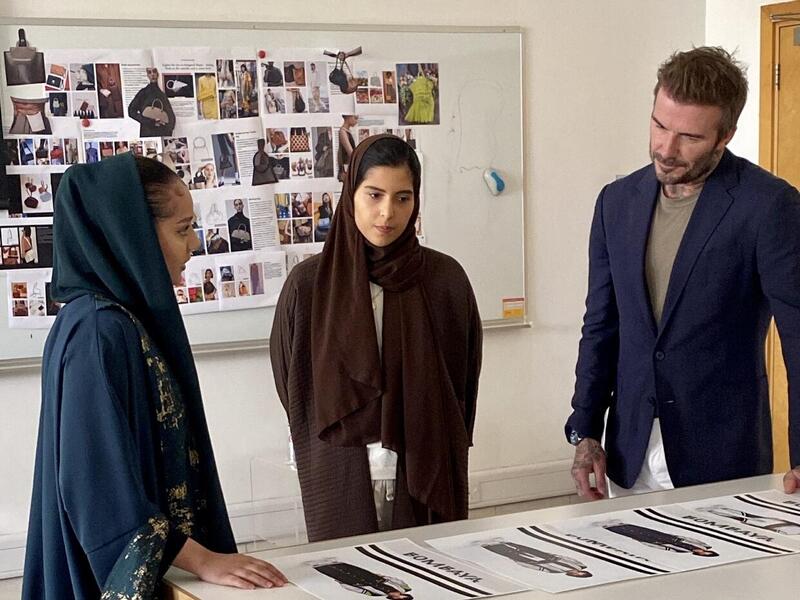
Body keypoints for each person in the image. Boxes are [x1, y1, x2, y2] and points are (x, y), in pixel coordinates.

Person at [22, 154, 286, 597]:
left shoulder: (114, 320)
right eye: (182, 230)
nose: (195, 244)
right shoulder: (97, 331)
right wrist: (202, 559)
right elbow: (98, 490)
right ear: (133, 236)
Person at [565, 46, 800, 501]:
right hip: (627, 452)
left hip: (722, 456)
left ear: (725, 135)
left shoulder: (769, 207)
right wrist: (586, 429)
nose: (665, 149)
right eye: (658, 125)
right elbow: (601, 325)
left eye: (689, 137)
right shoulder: (616, 202)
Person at [270, 135, 482, 542]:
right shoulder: (309, 286)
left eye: (403, 198)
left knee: (431, 579)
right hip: (338, 469)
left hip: (426, 465)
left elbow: (464, 380)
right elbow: (292, 382)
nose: (387, 213)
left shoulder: (445, 281)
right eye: (374, 195)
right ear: (351, 195)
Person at [480, 539, 592, 577]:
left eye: (577, 575)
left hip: (536, 561)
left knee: (512, 554)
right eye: (580, 573)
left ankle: (490, 546)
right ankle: (505, 542)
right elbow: (569, 559)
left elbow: (538, 569)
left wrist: (520, 563)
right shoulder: (581, 565)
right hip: (549, 557)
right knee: (524, 548)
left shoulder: (556, 572)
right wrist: (556, 555)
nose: (576, 573)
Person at [600, 521, 718, 556]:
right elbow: (689, 539)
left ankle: (612, 528)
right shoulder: (703, 545)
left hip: (658, 541)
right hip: (669, 537)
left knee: (636, 534)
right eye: (707, 552)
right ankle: (621, 524)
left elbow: (664, 549)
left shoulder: (683, 551)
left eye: (704, 554)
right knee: (643, 530)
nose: (703, 552)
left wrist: (645, 543)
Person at [313, 561, 413, 599]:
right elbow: (399, 581)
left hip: (359, 583)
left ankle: (319, 567)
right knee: (354, 570)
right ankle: (335, 563)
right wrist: (385, 577)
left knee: (338, 574)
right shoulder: (405, 589)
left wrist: (343, 584)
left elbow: (359, 590)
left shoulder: (377, 594)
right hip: (375, 579)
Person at [127, 67, 176, 137]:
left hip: (162, 133)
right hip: (148, 133)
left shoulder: (162, 94)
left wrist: (169, 128)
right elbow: (131, 111)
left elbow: (171, 115)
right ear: (147, 75)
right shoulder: (143, 93)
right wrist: (149, 121)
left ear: (157, 74)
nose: (152, 74)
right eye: (149, 72)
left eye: (154, 71)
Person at [338, 114, 358, 182]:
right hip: (346, 167)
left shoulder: (346, 131)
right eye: (355, 118)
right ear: (348, 117)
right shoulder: (343, 132)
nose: (356, 121)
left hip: (349, 165)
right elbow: (350, 152)